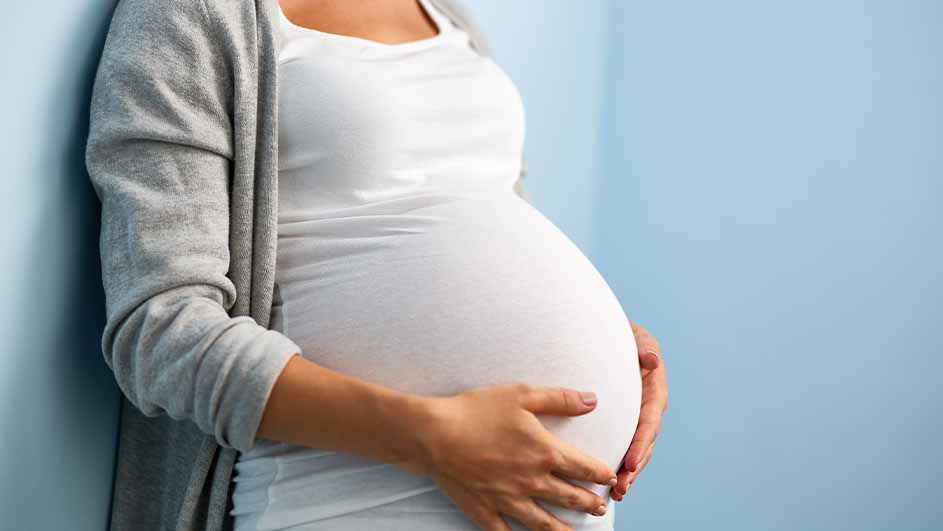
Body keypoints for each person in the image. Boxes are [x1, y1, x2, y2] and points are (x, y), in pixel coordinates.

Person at [84, 0, 669, 530]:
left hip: (554, 500)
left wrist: (619, 343)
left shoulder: (448, 17)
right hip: (348, 493)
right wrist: (432, 438)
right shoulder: (190, 14)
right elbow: (160, 331)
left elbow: (482, 220)